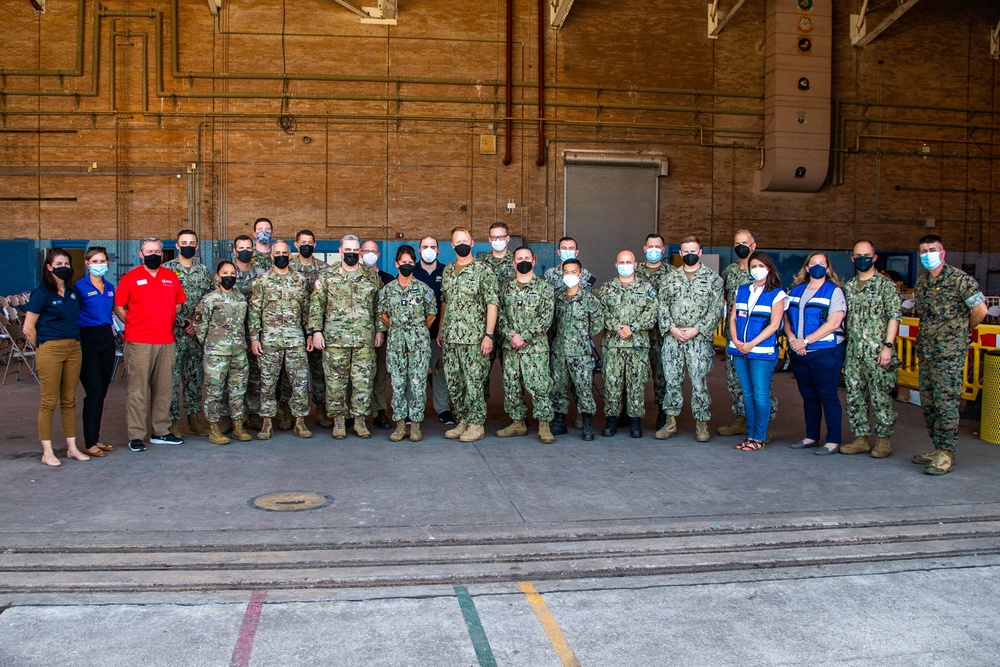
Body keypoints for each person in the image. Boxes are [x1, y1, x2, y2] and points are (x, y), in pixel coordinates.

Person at [911, 234, 987, 475]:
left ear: (942, 253)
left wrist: (961, 331)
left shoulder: (960, 280)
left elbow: (980, 310)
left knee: (946, 404)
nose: (927, 254)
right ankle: (938, 447)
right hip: (927, 352)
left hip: (949, 355)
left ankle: (947, 452)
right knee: (930, 403)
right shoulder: (922, 283)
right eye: (923, 251)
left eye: (931, 249)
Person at [113, 237, 186, 452]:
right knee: (138, 391)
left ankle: (160, 431)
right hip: (139, 342)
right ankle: (136, 435)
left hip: (166, 341)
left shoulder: (170, 277)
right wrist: (135, 322)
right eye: (149, 251)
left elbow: (179, 304)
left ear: (162, 254)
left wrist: (167, 317)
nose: (154, 254)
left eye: (157, 251)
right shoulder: (130, 278)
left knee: (164, 390)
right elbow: (119, 306)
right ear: (141, 254)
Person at [309, 235, 385, 439]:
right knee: (335, 382)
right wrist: (316, 331)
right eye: (347, 250)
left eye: (355, 250)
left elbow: (379, 306)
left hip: (364, 340)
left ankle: (360, 421)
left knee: (363, 381)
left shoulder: (371, 276)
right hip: (335, 340)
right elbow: (317, 304)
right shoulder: (327, 275)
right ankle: (339, 421)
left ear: (359, 252)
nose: (351, 253)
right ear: (341, 251)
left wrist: (379, 330)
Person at [23, 249, 89, 466]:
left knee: (69, 400)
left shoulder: (72, 291)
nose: (64, 267)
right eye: (59, 263)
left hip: (73, 347)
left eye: (67, 263)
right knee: (49, 401)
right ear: (49, 267)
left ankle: (71, 447)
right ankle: (47, 451)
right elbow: (28, 328)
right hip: (50, 348)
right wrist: (42, 347)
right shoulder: (41, 293)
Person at [655, 236, 724, 442]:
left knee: (699, 382)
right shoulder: (669, 278)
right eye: (686, 251)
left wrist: (697, 329)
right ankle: (670, 422)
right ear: (681, 253)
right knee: (672, 381)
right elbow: (662, 306)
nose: (690, 254)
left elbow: (716, 309)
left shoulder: (713, 279)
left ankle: (701, 424)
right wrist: (672, 328)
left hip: (698, 341)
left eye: (693, 250)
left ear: (700, 252)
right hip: (673, 339)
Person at [840, 241, 902, 459]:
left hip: (878, 352)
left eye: (867, 255)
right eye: (858, 255)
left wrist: (888, 346)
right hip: (854, 353)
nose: (862, 258)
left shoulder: (886, 286)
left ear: (875, 258)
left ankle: (884, 440)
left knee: (880, 396)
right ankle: (861, 438)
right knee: (855, 396)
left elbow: (894, 317)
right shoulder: (848, 287)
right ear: (853, 259)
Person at [438, 226, 499, 443]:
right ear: (452, 245)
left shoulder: (483, 271)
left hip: (474, 338)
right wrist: (441, 330)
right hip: (451, 337)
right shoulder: (447, 270)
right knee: (455, 382)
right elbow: (445, 301)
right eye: (458, 241)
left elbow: (492, 304)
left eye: (466, 240)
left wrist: (488, 335)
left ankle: (476, 423)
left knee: (474, 382)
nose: (462, 244)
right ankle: (462, 419)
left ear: (472, 243)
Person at [249, 240, 313, 440]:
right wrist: (254, 338)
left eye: (285, 253)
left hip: (295, 340)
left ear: (290, 254)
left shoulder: (300, 280)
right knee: (268, 383)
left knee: (299, 383)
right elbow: (254, 311)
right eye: (277, 253)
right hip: (270, 340)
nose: (281, 256)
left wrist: (310, 333)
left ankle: (300, 422)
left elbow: (307, 311)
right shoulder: (262, 281)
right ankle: (267, 423)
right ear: (271, 255)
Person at [784, 252, 847, 455]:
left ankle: (833, 440)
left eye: (822, 263)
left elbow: (834, 323)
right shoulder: (795, 291)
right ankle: (811, 436)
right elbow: (785, 317)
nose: (818, 266)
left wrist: (806, 341)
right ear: (807, 268)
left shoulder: (834, 292)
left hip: (825, 351)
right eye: (813, 263)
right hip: (800, 351)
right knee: (808, 396)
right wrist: (793, 339)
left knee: (827, 395)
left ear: (828, 269)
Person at [719, 229, 777, 438]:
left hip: (759, 339)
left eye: (744, 242)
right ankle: (741, 419)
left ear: (754, 245)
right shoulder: (729, 272)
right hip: (734, 337)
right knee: (735, 380)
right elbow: (726, 304)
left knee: (761, 384)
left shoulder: (762, 270)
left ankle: (765, 426)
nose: (740, 246)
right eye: (736, 243)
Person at [726, 251, 786, 452]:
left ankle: (759, 437)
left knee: (760, 395)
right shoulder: (742, 290)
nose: (756, 270)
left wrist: (751, 343)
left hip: (761, 352)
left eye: (761, 266)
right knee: (748, 395)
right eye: (753, 266)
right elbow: (733, 318)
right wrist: (735, 340)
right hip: (740, 350)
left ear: (769, 268)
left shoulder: (776, 293)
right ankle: (750, 435)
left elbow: (775, 324)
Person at [496, 246, 556, 443]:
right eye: (519, 258)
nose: (523, 261)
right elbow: (500, 315)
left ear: (534, 261)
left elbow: (545, 318)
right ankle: (518, 422)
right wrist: (511, 335)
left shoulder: (544, 288)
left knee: (540, 385)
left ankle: (544, 425)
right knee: (511, 385)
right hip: (511, 346)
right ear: (513, 263)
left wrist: (525, 336)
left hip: (535, 348)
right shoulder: (505, 288)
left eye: (526, 258)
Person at [378, 245, 437, 442]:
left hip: (419, 345)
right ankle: (400, 425)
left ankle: (416, 425)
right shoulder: (387, 291)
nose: (407, 266)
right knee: (397, 384)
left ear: (415, 265)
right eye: (403, 263)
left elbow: (431, 315)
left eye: (410, 263)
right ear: (396, 264)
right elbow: (383, 315)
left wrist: (416, 330)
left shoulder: (423, 289)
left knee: (418, 384)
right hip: (396, 345)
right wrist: (397, 328)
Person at [595, 250, 657, 438]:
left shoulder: (646, 288)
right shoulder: (606, 289)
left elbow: (652, 312)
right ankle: (611, 419)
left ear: (636, 265)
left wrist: (633, 327)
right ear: (616, 265)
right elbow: (601, 312)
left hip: (637, 344)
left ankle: (635, 421)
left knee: (636, 384)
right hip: (613, 344)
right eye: (621, 261)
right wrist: (617, 328)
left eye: (628, 261)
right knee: (612, 383)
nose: (625, 264)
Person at [193, 261, 252, 444]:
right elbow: (199, 325)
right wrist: (212, 344)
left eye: (232, 273)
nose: (229, 276)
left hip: (238, 353)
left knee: (238, 391)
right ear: (217, 277)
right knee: (214, 392)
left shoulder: (241, 298)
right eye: (225, 273)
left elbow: (245, 323)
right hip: (216, 353)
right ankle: (214, 428)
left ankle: (237, 426)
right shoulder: (209, 299)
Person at [163, 229, 214, 439]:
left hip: (196, 336)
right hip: (172, 334)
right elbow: (162, 303)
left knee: (194, 378)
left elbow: (209, 300)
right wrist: (183, 322)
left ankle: (194, 420)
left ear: (197, 246)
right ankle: (172, 422)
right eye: (183, 242)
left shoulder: (203, 271)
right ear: (177, 246)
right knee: (172, 381)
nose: (187, 246)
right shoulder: (166, 271)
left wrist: (197, 325)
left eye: (191, 243)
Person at [550, 259, 603, 440]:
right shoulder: (557, 299)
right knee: (558, 388)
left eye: (573, 272)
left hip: (581, 353)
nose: (569, 275)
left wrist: (581, 336)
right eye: (566, 272)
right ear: (561, 274)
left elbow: (597, 323)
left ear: (580, 275)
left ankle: (587, 423)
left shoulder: (589, 299)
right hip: (559, 352)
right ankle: (560, 421)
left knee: (584, 388)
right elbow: (552, 324)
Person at [75, 247, 117, 457]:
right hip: (87, 339)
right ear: (87, 263)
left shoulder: (109, 287)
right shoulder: (79, 288)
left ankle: (96, 437)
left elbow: (118, 311)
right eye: (95, 261)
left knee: (102, 392)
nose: (100, 264)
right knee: (93, 393)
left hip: (106, 338)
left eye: (103, 260)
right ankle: (89, 441)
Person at [289, 229, 330, 426]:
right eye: (302, 242)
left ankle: (321, 410)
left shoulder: (324, 269)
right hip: (293, 329)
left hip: (317, 328)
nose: (306, 245)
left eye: (310, 242)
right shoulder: (287, 267)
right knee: (290, 373)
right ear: (296, 245)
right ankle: (290, 413)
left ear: (315, 245)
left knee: (319, 371)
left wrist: (317, 330)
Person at [413, 235, 455, 425]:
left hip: (439, 335)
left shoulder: (446, 271)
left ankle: (443, 409)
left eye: (432, 246)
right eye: (425, 246)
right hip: (415, 335)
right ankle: (413, 410)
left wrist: (443, 331)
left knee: (440, 374)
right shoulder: (411, 271)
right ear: (419, 250)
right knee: (415, 374)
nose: (428, 250)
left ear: (438, 250)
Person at [636, 233, 674, 430]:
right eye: (650, 246)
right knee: (635, 373)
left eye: (657, 246)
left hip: (662, 333)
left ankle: (662, 411)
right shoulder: (635, 270)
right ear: (644, 249)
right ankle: (630, 411)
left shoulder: (672, 273)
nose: (653, 250)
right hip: (639, 333)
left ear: (663, 249)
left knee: (661, 373)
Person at [478, 222, 517, 403]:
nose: (498, 240)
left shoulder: (517, 262)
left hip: (510, 326)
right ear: (489, 239)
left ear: (508, 238)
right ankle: (479, 415)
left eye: (501, 237)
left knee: (512, 374)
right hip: (486, 327)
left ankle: (516, 417)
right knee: (481, 371)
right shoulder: (480, 264)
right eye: (494, 237)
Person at [232, 234, 266, 428]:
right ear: (235, 251)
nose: (245, 251)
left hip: (255, 333)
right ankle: (232, 417)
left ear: (253, 251)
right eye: (241, 248)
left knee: (255, 375)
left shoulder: (261, 273)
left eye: (248, 248)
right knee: (233, 376)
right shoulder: (227, 272)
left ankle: (253, 414)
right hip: (232, 334)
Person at [362, 239, 396, 430]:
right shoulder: (352, 275)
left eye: (373, 251)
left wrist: (382, 331)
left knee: (379, 375)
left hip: (380, 335)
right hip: (356, 336)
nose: (369, 254)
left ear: (379, 254)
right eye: (366, 250)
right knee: (354, 375)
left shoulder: (388, 279)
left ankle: (379, 411)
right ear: (360, 253)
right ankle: (353, 414)